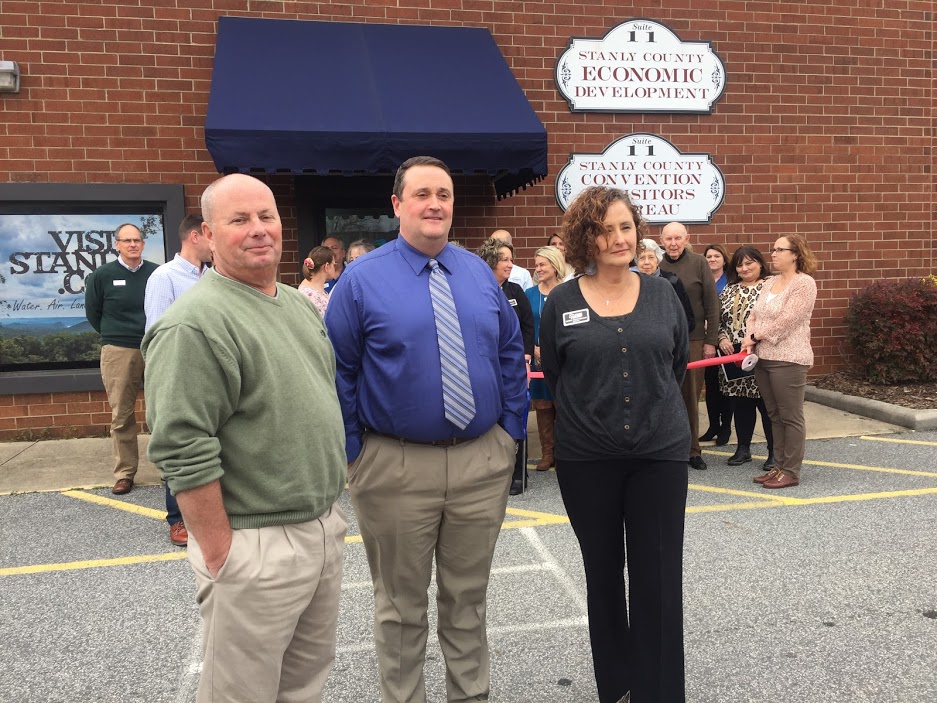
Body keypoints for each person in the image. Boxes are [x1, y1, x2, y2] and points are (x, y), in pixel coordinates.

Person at [325, 156, 526, 703]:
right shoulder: (361, 281)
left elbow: (510, 351)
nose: (434, 203)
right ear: (397, 205)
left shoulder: (478, 272)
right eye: (421, 194)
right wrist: (355, 454)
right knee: (399, 608)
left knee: (468, 602)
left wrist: (509, 430)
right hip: (393, 464)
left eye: (444, 193)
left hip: (479, 461)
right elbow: (336, 370)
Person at [142, 174, 347, 702]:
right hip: (254, 542)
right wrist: (221, 555)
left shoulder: (297, 305)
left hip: (320, 530)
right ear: (208, 234)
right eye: (239, 220)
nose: (258, 230)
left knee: (302, 687)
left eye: (267, 216)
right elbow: (182, 447)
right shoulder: (194, 324)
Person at [540, 186, 689, 703]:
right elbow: (558, 379)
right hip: (587, 461)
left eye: (626, 226)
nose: (619, 238)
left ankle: (659, 690)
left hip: (659, 456)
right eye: (605, 228)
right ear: (586, 237)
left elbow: (673, 366)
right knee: (603, 576)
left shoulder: (662, 293)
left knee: (658, 579)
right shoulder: (560, 302)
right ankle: (617, 685)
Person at [143, 213, 213, 546]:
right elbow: (157, 333)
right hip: (180, 373)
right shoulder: (164, 277)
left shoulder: (213, 277)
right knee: (180, 443)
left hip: (213, 373)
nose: (215, 244)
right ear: (195, 236)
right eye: (210, 236)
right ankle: (177, 519)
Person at [84, 223, 158, 495]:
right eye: (126, 240)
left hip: (154, 347)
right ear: (116, 244)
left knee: (161, 411)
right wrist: (114, 335)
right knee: (122, 414)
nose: (132, 245)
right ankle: (125, 473)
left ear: (142, 244)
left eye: (137, 240)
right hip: (118, 350)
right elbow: (94, 312)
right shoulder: (102, 275)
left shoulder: (156, 273)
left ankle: (168, 469)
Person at [741, 234, 818, 489]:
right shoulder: (769, 282)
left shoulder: (804, 284)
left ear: (795, 254)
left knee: (790, 416)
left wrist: (757, 335)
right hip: (763, 357)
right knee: (774, 415)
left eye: (779, 250)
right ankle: (779, 466)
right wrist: (748, 338)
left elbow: (788, 320)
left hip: (789, 359)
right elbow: (754, 314)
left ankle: (791, 471)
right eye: (772, 249)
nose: (773, 254)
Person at [659, 221, 720, 470]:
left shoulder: (699, 263)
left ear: (686, 239)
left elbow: (712, 304)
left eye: (678, 238)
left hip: (694, 340)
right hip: (662, 342)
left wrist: (711, 342)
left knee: (690, 397)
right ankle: (668, 447)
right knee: (664, 396)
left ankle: (693, 449)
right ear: (661, 240)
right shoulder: (655, 265)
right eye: (668, 239)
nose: (673, 243)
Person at [476, 236, 534, 495]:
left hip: (513, 367)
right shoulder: (476, 289)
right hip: (486, 368)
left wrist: (526, 357)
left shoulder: (515, 292)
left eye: (511, 259)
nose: (510, 265)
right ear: (491, 262)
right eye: (504, 260)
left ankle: (516, 476)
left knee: (514, 416)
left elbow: (527, 325)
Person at [716, 246, 775, 471]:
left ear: (760, 263)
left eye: (749, 263)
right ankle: (743, 448)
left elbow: (775, 318)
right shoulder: (729, 290)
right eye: (740, 264)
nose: (744, 268)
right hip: (734, 359)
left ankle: (773, 451)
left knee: (767, 406)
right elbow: (719, 320)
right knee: (740, 404)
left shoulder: (770, 287)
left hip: (761, 355)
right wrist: (722, 338)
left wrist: (753, 340)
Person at [526, 245, 566, 471]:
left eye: (542, 264)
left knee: (563, 406)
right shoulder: (529, 295)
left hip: (562, 360)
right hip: (538, 360)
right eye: (537, 264)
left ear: (555, 264)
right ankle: (547, 453)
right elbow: (523, 326)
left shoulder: (568, 291)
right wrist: (534, 348)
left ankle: (563, 452)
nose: (537, 268)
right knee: (542, 407)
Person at [700, 243, 733, 445]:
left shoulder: (731, 281)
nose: (712, 259)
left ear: (724, 259)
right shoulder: (703, 280)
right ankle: (713, 426)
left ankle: (726, 428)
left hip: (727, 341)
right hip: (707, 340)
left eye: (716, 256)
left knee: (726, 387)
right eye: (709, 256)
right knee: (711, 386)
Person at [634, 238, 695, 330]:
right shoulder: (631, 284)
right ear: (637, 261)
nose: (646, 262)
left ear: (657, 260)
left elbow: (687, 319)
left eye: (651, 257)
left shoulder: (672, 281)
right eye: (642, 258)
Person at [298, 245, 338, 316]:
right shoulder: (310, 296)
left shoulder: (311, 289)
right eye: (333, 265)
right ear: (327, 266)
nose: (334, 268)